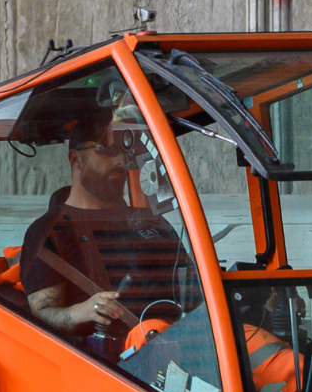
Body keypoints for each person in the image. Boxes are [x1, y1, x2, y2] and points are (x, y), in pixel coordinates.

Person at [18, 114, 192, 358]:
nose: (121, 160)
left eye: (124, 151)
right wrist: (83, 311)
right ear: (76, 159)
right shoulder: (49, 231)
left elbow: (192, 284)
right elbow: (43, 311)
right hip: (118, 360)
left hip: (190, 336)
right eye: (107, 150)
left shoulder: (152, 220)